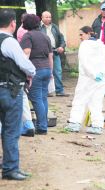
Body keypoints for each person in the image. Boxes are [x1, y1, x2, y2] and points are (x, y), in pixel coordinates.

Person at [0, 9, 36, 180]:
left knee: (3, 129)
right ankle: (10, 169)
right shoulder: (9, 42)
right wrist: (32, 71)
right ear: (13, 23)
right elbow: (25, 63)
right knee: (11, 130)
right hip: (9, 90)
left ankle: (7, 164)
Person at [65, 26, 105, 135]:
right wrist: (102, 74)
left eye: (81, 34)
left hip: (87, 78)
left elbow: (84, 63)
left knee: (79, 100)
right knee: (96, 102)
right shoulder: (101, 45)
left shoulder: (85, 45)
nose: (80, 37)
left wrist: (93, 75)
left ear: (89, 33)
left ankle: (74, 123)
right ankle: (97, 125)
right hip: (100, 79)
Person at [20, 14, 53, 135]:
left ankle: (42, 127)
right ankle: (43, 125)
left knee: (36, 99)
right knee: (43, 98)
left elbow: (26, 55)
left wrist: (25, 72)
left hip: (35, 70)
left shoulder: (27, 36)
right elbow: (50, 56)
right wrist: (51, 71)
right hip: (46, 69)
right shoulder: (45, 36)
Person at [40, 11, 68, 97]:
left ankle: (59, 90)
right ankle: (46, 91)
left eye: (50, 17)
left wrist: (62, 47)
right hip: (43, 53)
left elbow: (61, 38)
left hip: (55, 52)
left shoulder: (54, 26)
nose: (48, 19)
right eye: (46, 17)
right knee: (45, 72)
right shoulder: (38, 27)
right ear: (42, 17)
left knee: (58, 71)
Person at [17, 12, 35, 137]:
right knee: (23, 97)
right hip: (28, 68)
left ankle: (27, 124)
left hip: (23, 68)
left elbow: (24, 56)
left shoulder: (25, 34)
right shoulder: (24, 33)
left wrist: (27, 73)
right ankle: (28, 124)